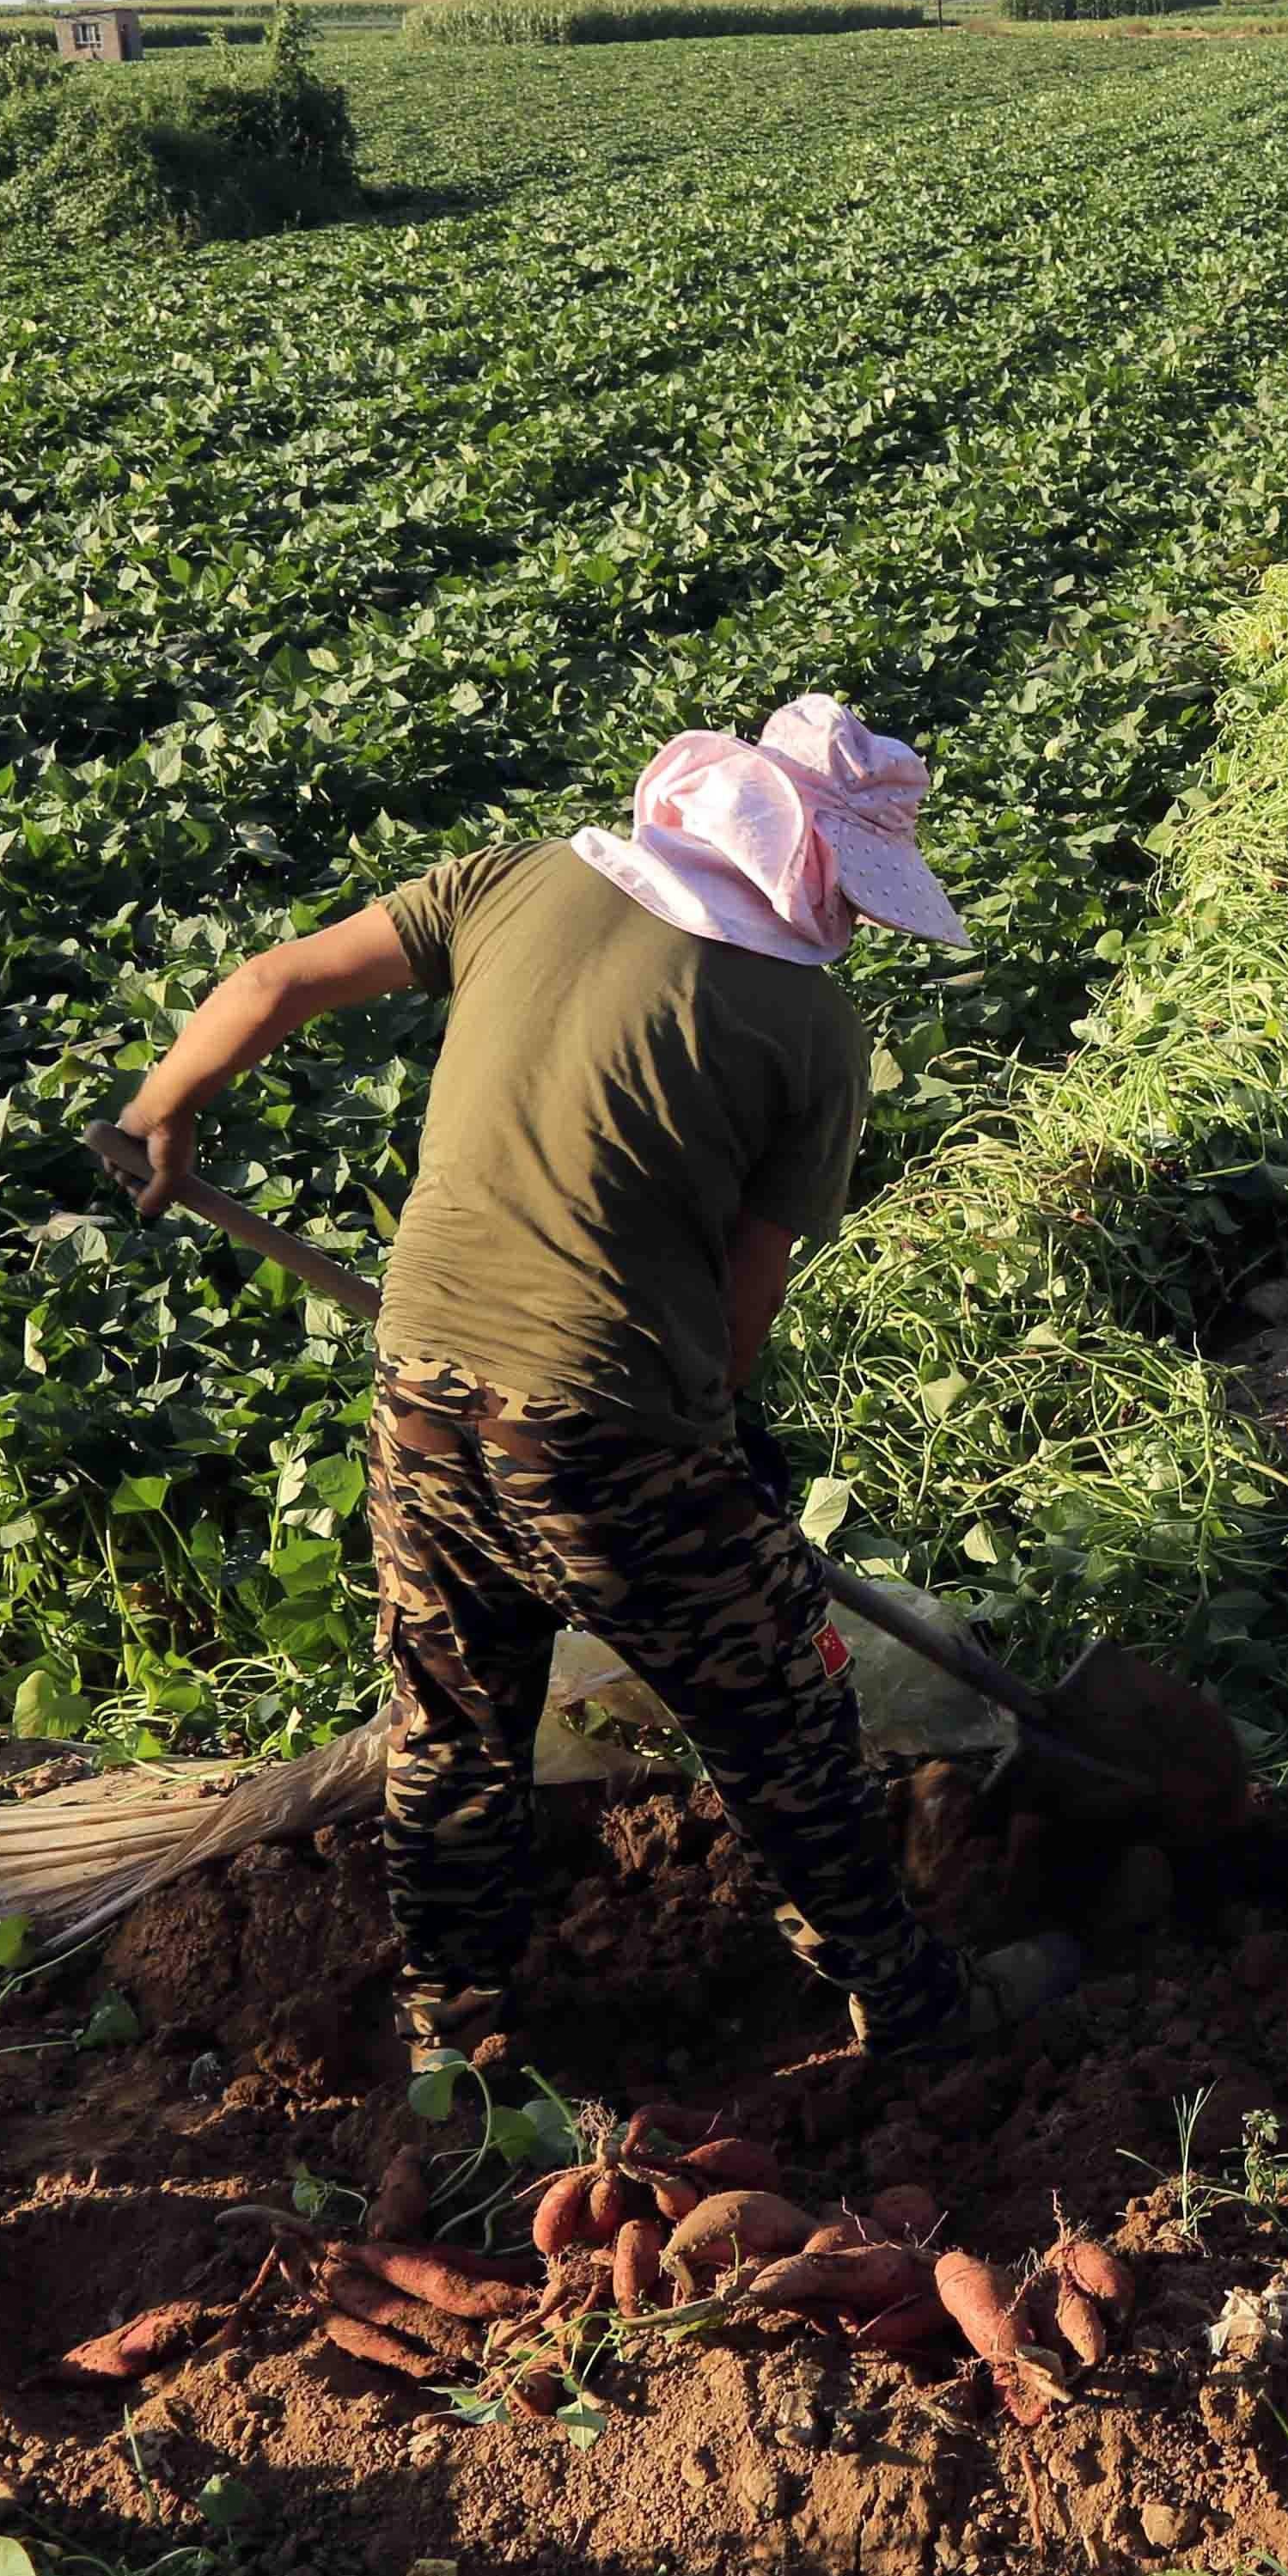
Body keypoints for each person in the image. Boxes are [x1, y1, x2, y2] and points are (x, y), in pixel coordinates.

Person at [112, 696, 1064, 2083]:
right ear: (802, 860)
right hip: (607, 1428)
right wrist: (719, 1435)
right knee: (781, 1714)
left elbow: (271, 984)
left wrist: (164, 1107)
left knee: (454, 1722)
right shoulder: (807, 1024)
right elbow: (748, 1297)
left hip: (420, 1391)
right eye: (849, 889)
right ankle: (914, 2007)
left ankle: (456, 2030)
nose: (853, 922)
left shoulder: (512, 884)